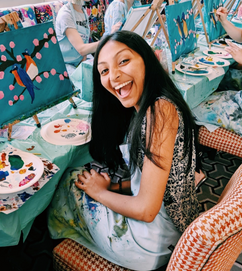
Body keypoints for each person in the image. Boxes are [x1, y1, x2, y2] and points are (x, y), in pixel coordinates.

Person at [48, 31, 200, 270]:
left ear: (147, 59)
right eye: (104, 70)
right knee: (83, 179)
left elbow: (146, 209)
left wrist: (99, 192)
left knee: (67, 183)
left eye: (123, 61)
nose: (114, 76)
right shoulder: (156, 103)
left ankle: (48, 253)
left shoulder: (157, 112)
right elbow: (152, 182)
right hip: (171, 229)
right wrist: (114, 188)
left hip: (150, 242)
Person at [55, 0, 99, 75]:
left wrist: (83, 60)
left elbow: (84, 45)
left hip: (80, 60)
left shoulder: (82, 11)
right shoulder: (66, 14)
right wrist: (107, 41)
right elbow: (81, 49)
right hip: (66, 64)